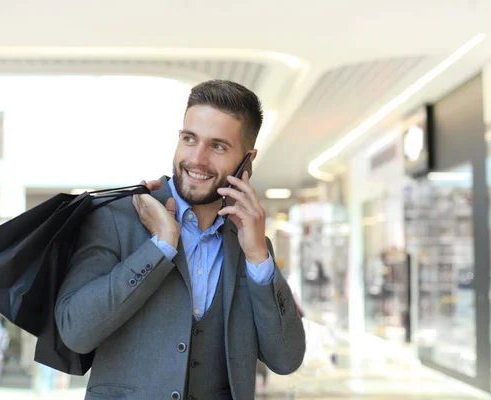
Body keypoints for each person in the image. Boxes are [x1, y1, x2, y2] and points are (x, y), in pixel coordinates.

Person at [55, 79, 306, 400]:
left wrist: (259, 257)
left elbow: (286, 360)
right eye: (189, 139)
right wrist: (160, 246)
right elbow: (75, 333)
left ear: (248, 159)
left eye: (218, 146)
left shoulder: (251, 241)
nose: (197, 159)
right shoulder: (117, 218)